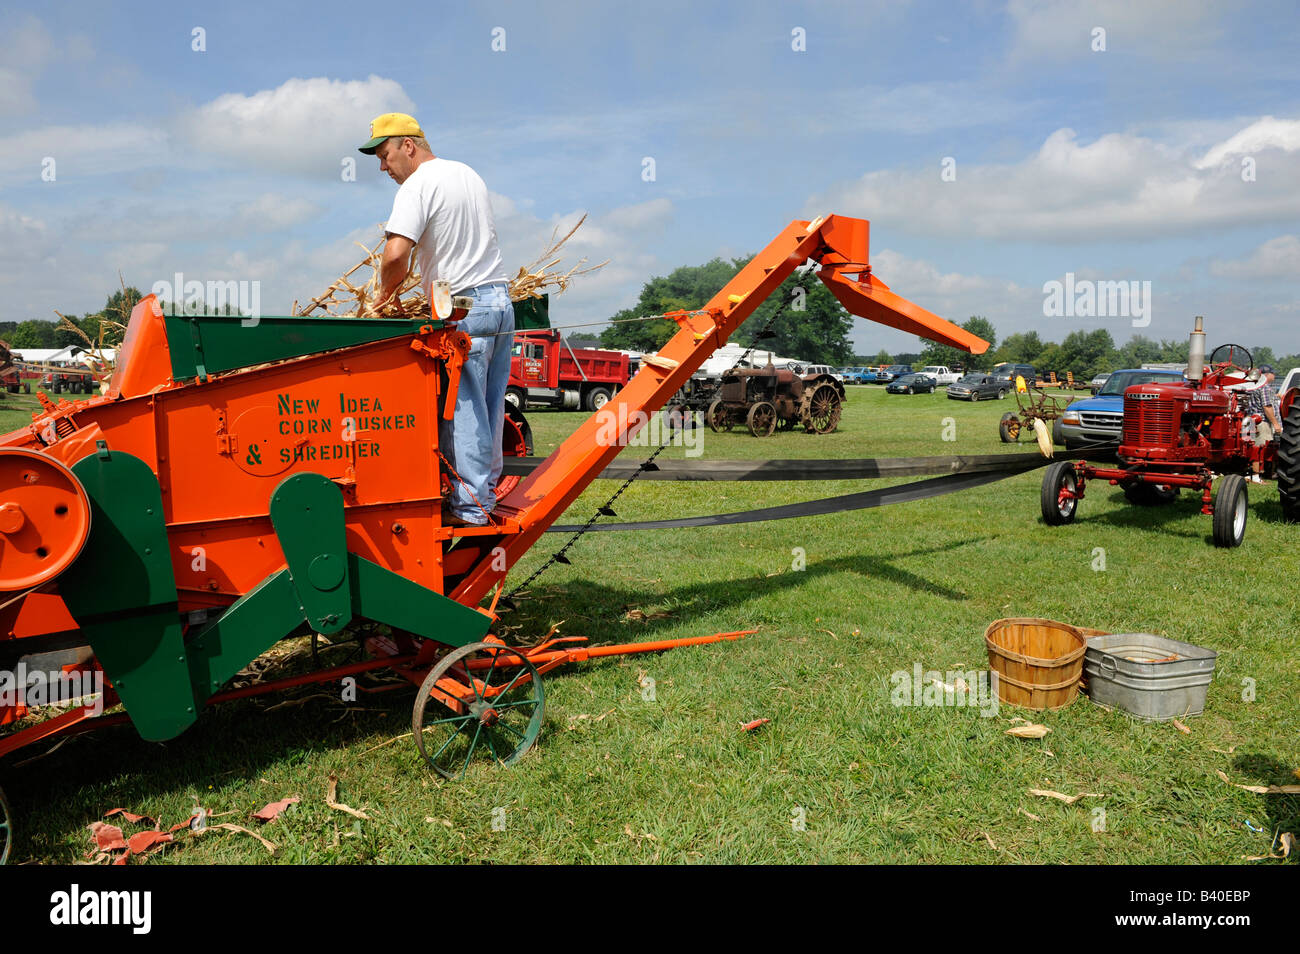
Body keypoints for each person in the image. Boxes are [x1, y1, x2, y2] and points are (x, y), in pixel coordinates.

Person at [359, 113, 513, 526]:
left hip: (462, 310)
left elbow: (395, 254)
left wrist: (381, 300)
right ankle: (485, 496)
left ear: (408, 146)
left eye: (384, 154)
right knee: (490, 407)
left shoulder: (417, 185)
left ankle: (471, 509)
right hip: (499, 301)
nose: (382, 166)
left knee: (463, 411)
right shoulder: (467, 174)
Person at [1245, 364, 1281, 483]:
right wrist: (1276, 424)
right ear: (1266, 375)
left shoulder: (1253, 386)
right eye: (1272, 373)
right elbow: (1266, 406)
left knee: (1249, 446)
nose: (1274, 375)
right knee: (1259, 448)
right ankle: (1255, 476)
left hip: (1250, 419)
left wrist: (1276, 396)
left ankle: (1251, 473)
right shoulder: (1264, 387)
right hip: (1261, 421)